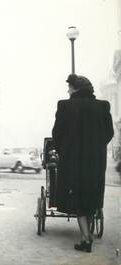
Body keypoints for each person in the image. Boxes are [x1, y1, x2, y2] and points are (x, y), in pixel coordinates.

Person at [52, 74, 114, 252]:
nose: (68, 90)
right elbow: (109, 133)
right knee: (91, 197)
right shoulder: (103, 107)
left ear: (76, 89)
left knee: (77, 199)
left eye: (70, 87)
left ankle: (86, 238)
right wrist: (96, 148)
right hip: (95, 163)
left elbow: (57, 134)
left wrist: (65, 150)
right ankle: (86, 238)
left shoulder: (64, 106)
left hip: (73, 162)